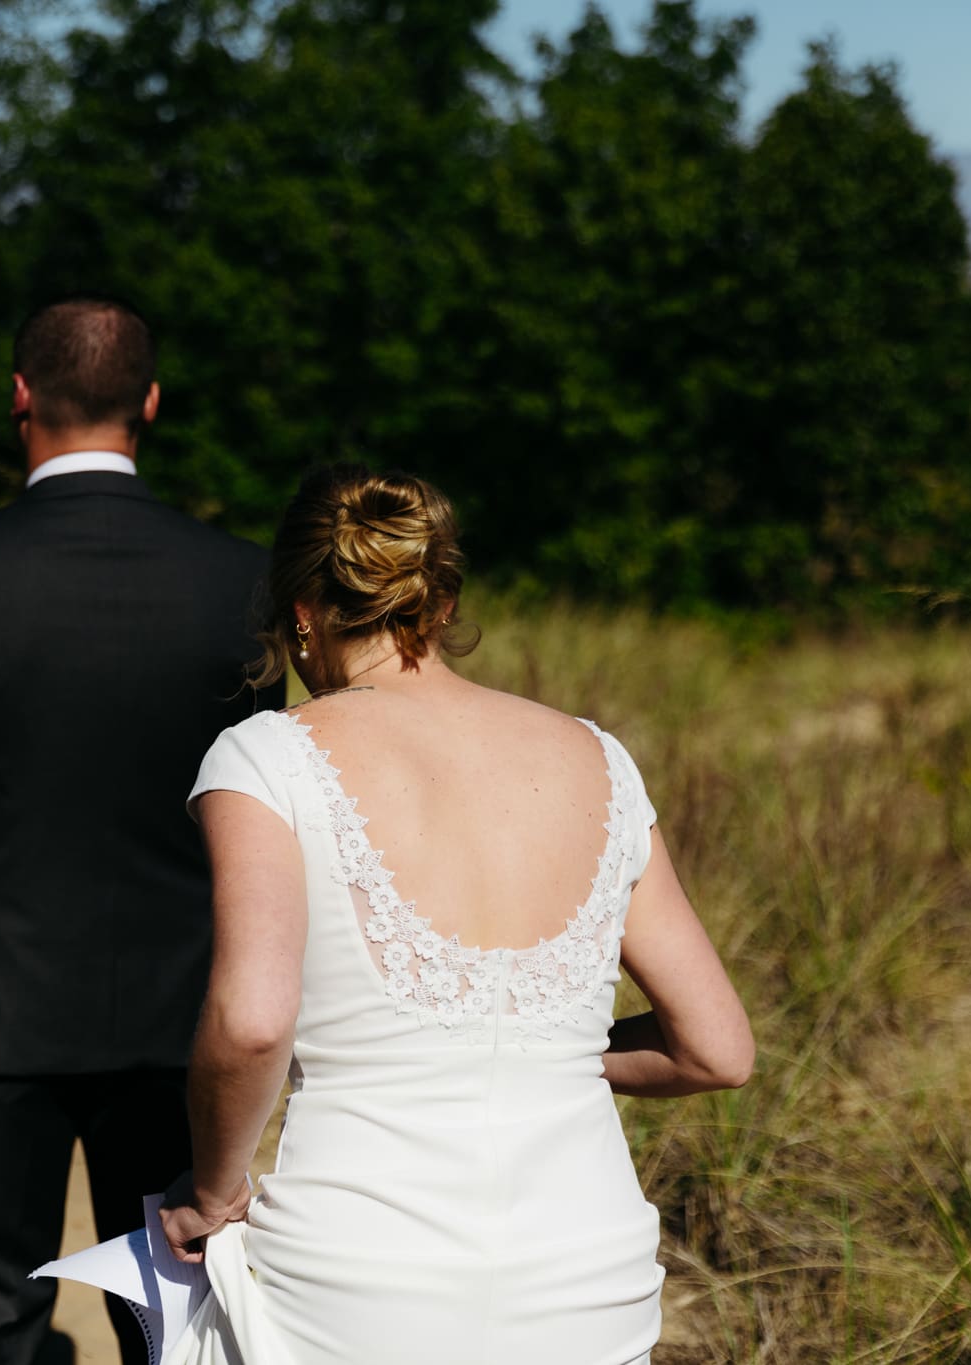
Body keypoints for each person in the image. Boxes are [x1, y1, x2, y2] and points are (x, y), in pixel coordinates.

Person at [158, 466, 753, 1365]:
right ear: (436, 606)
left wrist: (211, 1191)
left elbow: (250, 1021)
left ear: (302, 612)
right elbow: (717, 1046)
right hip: (588, 1280)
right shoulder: (597, 757)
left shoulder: (266, 758)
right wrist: (530, 1044)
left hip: (362, 1281)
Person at [0, 295, 284, 1365]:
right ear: (149, 402)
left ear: (18, 399)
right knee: (171, 1313)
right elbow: (266, 814)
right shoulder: (237, 581)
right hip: (182, 1013)